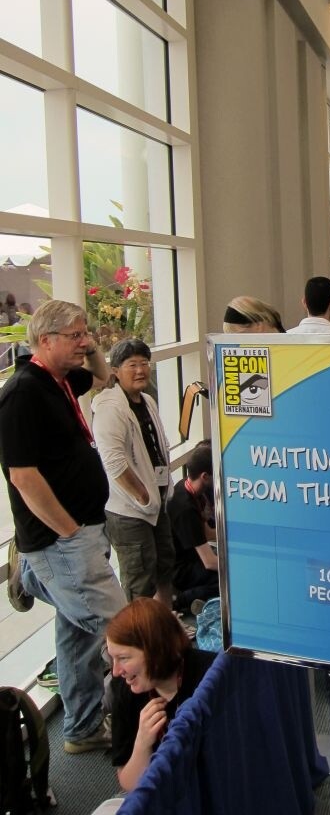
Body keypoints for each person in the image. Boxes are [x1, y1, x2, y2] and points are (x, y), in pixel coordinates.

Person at [0, 299, 126, 753]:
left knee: (78, 638)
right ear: (45, 340)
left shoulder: (58, 381)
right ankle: (34, 573)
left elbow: (101, 377)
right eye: (74, 335)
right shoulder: (22, 395)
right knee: (119, 627)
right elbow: (23, 477)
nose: (84, 341)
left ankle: (82, 727)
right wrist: (70, 532)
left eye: (85, 333)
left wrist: (91, 346)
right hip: (62, 541)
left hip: (83, 533)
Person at [93, 338, 174, 607]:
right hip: (129, 510)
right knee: (140, 576)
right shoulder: (110, 409)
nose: (140, 370)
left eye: (144, 363)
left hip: (157, 500)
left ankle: (164, 620)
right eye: (132, 365)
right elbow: (113, 463)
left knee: (164, 563)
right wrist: (142, 496)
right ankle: (142, 635)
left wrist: (158, 495)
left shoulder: (147, 400)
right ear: (115, 370)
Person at [107, 597, 216, 791]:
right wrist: (142, 744)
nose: (116, 671)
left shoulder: (210, 677)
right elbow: (130, 785)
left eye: (123, 658)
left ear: (156, 650)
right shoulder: (124, 690)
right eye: (112, 658)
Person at [167, 441, 219, 613]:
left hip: (191, 558)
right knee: (227, 579)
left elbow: (207, 533)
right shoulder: (185, 509)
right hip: (181, 569)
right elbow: (209, 562)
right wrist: (238, 565)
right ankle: (183, 600)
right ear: (205, 476)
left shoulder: (187, 488)